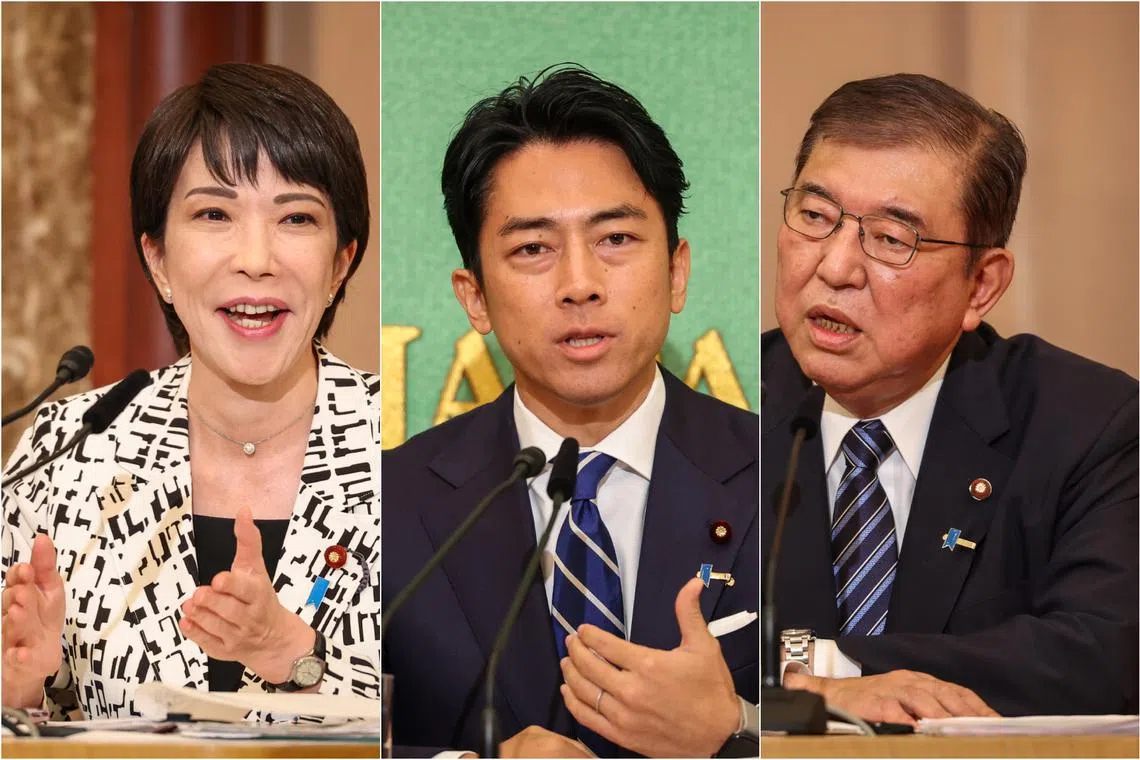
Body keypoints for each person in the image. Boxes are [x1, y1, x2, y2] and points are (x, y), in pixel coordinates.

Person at [382, 65, 759, 758]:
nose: (579, 284)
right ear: (475, 298)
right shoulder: (389, 502)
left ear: (676, 272)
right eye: (532, 249)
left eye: (614, 239)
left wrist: (739, 729)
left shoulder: (785, 480)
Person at [1, 63, 380, 719]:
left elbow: (466, 723)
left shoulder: (411, 452)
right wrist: (22, 691)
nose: (256, 257)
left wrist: (294, 655)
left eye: (296, 218)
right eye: (213, 213)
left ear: (340, 262)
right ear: (159, 260)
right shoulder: (66, 455)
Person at [763, 73, 1138, 724]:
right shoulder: (726, 404)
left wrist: (824, 674)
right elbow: (660, 649)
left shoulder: (1087, 426)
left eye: (890, 238)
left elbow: (1104, 653)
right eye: (815, 216)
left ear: (981, 287)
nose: (834, 267)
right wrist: (795, 696)